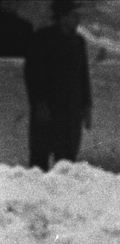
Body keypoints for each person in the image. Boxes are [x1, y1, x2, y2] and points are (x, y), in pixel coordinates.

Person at [23, 0, 91, 171]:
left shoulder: (79, 42)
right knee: (39, 162)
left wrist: (87, 106)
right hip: (47, 111)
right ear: (62, 16)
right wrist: (39, 103)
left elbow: (83, 77)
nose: (78, 19)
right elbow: (32, 73)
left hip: (71, 113)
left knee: (67, 163)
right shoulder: (42, 38)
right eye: (74, 15)